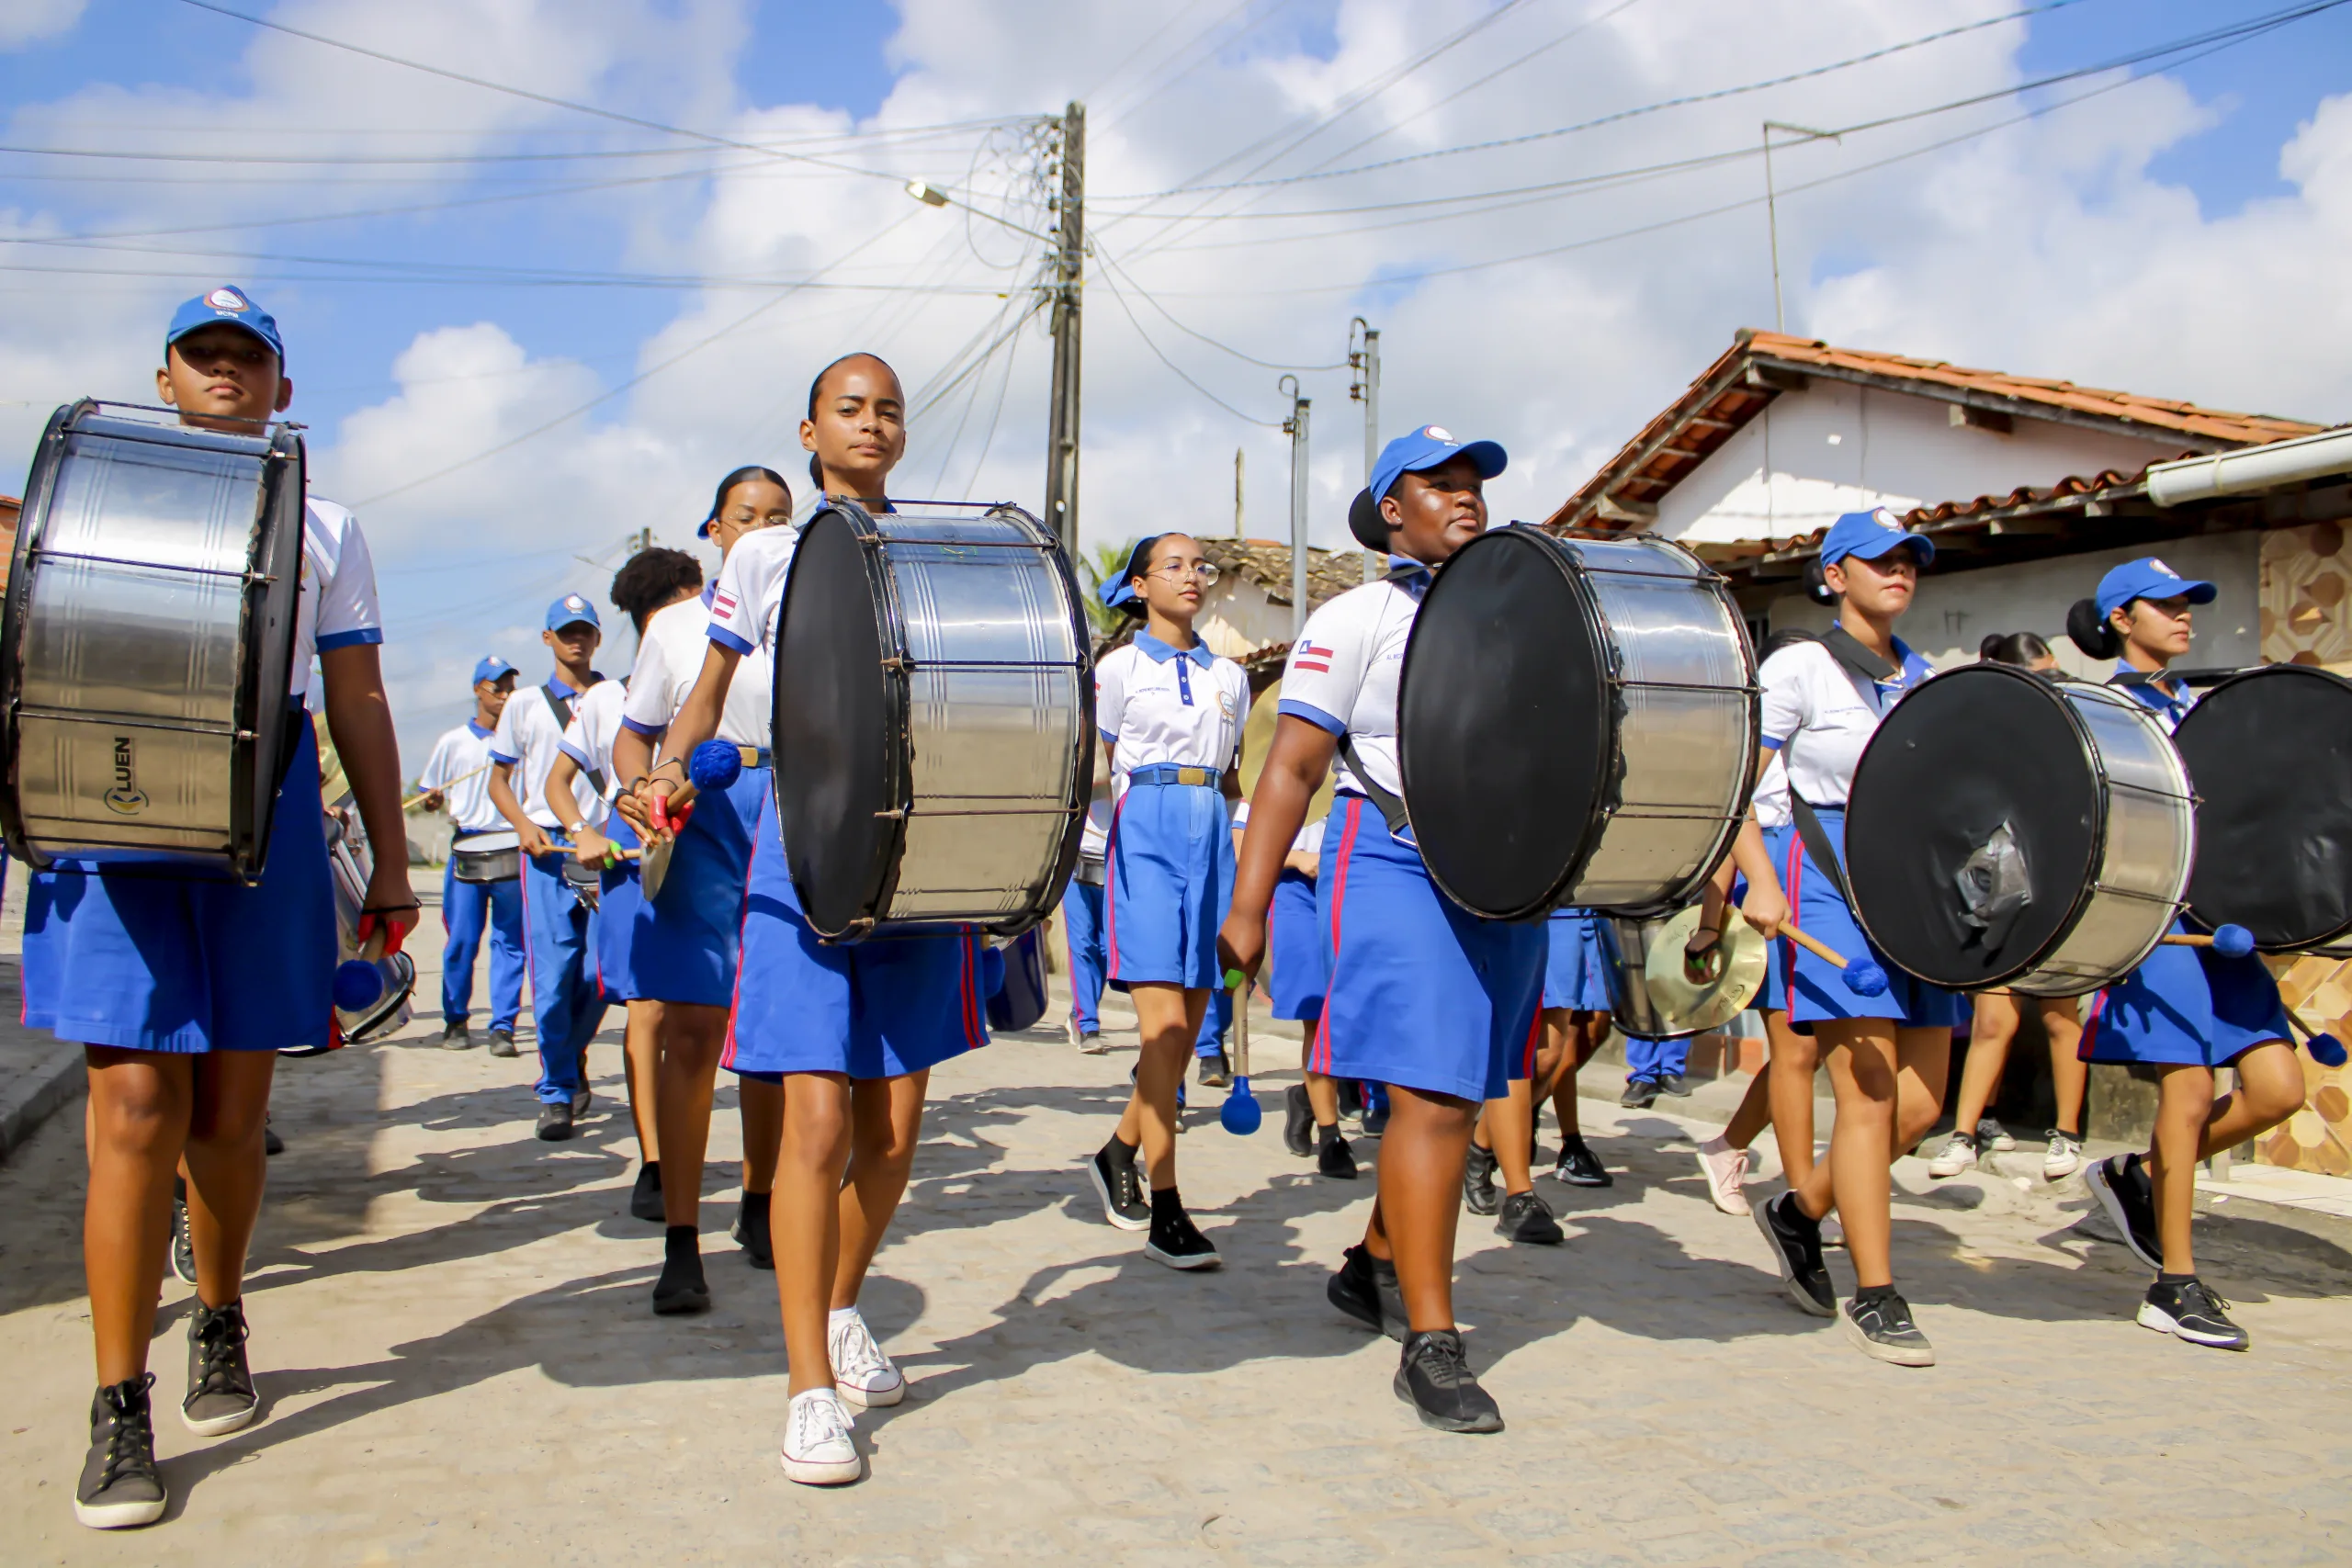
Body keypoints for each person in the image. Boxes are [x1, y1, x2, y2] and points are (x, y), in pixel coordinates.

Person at [28, 286, 415, 1529]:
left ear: (283, 388)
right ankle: (118, 1398)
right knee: (135, 1100)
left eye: (248, 360)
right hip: (118, 803)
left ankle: (222, 1307)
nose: (226, 375)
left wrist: (393, 864)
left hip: (266, 805)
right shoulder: (92, 492)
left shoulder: (327, 521)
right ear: (165, 379)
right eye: (203, 358)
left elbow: (355, 696)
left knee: (231, 1114)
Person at [630, 351, 986, 1485]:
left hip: (916, 853)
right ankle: (807, 1389)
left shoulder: (928, 546)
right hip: (805, 844)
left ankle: (840, 1306)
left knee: (891, 1134)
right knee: (816, 1128)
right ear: (810, 429)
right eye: (850, 408)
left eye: (888, 409)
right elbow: (712, 682)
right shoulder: (766, 552)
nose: (871, 424)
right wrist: (670, 770)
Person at [1223, 431, 1545, 1435]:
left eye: (1474, 487)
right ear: (1389, 512)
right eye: (1438, 486)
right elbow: (1290, 767)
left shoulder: (1521, 618)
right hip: (1397, 856)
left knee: (1458, 1092)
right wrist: (1248, 902)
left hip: (1507, 873)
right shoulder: (1355, 616)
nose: (1464, 500)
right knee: (1437, 1096)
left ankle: (1367, 1266)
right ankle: (1430, 1342)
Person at [1732, 506, 1957, 1368]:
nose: (1900, 571)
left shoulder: (1924, 675)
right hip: (1825, 883)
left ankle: (1798, 1208)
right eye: (1880, 559)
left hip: (1914, 894)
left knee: (1922, 1105)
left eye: (1910, 559)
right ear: (1835, 575)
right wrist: (1759, 877)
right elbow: (1738, 787)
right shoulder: (1800, 668)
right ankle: (1876, 1290)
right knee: (1864, 1092)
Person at [2066, 559, 2308, 1350]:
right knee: (2192, 1090)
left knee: (2279, 1090)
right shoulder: (2099, 710)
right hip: (2156, 925)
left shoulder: (2202, 705)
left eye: (2189, 604)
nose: (2184, 616)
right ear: (2120, 620)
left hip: (2224, 926)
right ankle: (2174, 1281)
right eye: (2164, 605)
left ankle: (2136, 1173)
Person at [609, 472, 791, 1304]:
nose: (761, 530)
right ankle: (682, 1237)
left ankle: (759, 1202)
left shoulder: (816, 615)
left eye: (779, 518)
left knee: (776, 1037)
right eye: (745, 518)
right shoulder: (678, 628)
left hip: (792, 817)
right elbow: (635, 737)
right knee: (692, 1033)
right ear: (715, 531)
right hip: (700, 821)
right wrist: (638, 788)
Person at [1083, 533, 1250, 1268]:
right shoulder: (1117, 669)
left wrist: (1247, 886)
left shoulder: (1233, 679)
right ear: (1141, 586)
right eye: (1173, 565)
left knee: (1184, 1031)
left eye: (1199, 565)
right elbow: (1092, 762)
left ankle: (1119, 1150)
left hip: (1211, 833)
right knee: (1163, 1029)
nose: (1192, 576)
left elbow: (1237, 781)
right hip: (1144, 833)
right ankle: (1168, 1208)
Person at [546, 549, 701, 1245]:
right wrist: (582, 829)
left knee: (700, 1018)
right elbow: (557, 781)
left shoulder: (714, 678)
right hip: (633, 850)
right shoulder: (607, 700)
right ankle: (654, 1160)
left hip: (707, 845)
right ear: (666, 610)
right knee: (647, 1008)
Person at [1926, 631, 2089, 1182]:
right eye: (2042, 678)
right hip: (1996, 889)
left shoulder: (2072, 729)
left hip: (2062, 885)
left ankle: (2066, 1136)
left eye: (2053, 676)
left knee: (2063, 1015)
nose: (2051, 687)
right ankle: (1965, 1132)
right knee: (1994, 1017)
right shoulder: (1982, 737)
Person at [486, 595, 610, 1141]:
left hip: (604, 847)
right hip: (548, 851)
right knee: (555, 975)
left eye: (584, 631)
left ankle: (571, 1051)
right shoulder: (524, 705)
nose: (575, 641)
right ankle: (557, 1090)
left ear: (598, 638)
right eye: (565, 633)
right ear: (547, 639)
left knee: (600, 972)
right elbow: (498, 779)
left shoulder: (618, 697)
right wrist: (522, 825)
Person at [415, 657, 525, 1054]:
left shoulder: (520, 739)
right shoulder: (453, 742)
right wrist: (432, 800)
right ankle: (456, 1019)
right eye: (498, 687)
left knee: (511, 941)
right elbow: (431, 794)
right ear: (478, 689)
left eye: (511, 687)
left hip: (511, 843)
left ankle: (503, 1026)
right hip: (467, 846)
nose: (505, 695)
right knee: (461, 939)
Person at [1271, 807, 1358, 1179]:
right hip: (1299, 891)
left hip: (1360, 886)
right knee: (1318, 1018)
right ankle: (1330, 1135)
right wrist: (1299, 858)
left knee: (1358, 1017)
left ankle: (1307, 1096)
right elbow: (1243, 844)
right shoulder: (1280, 764)